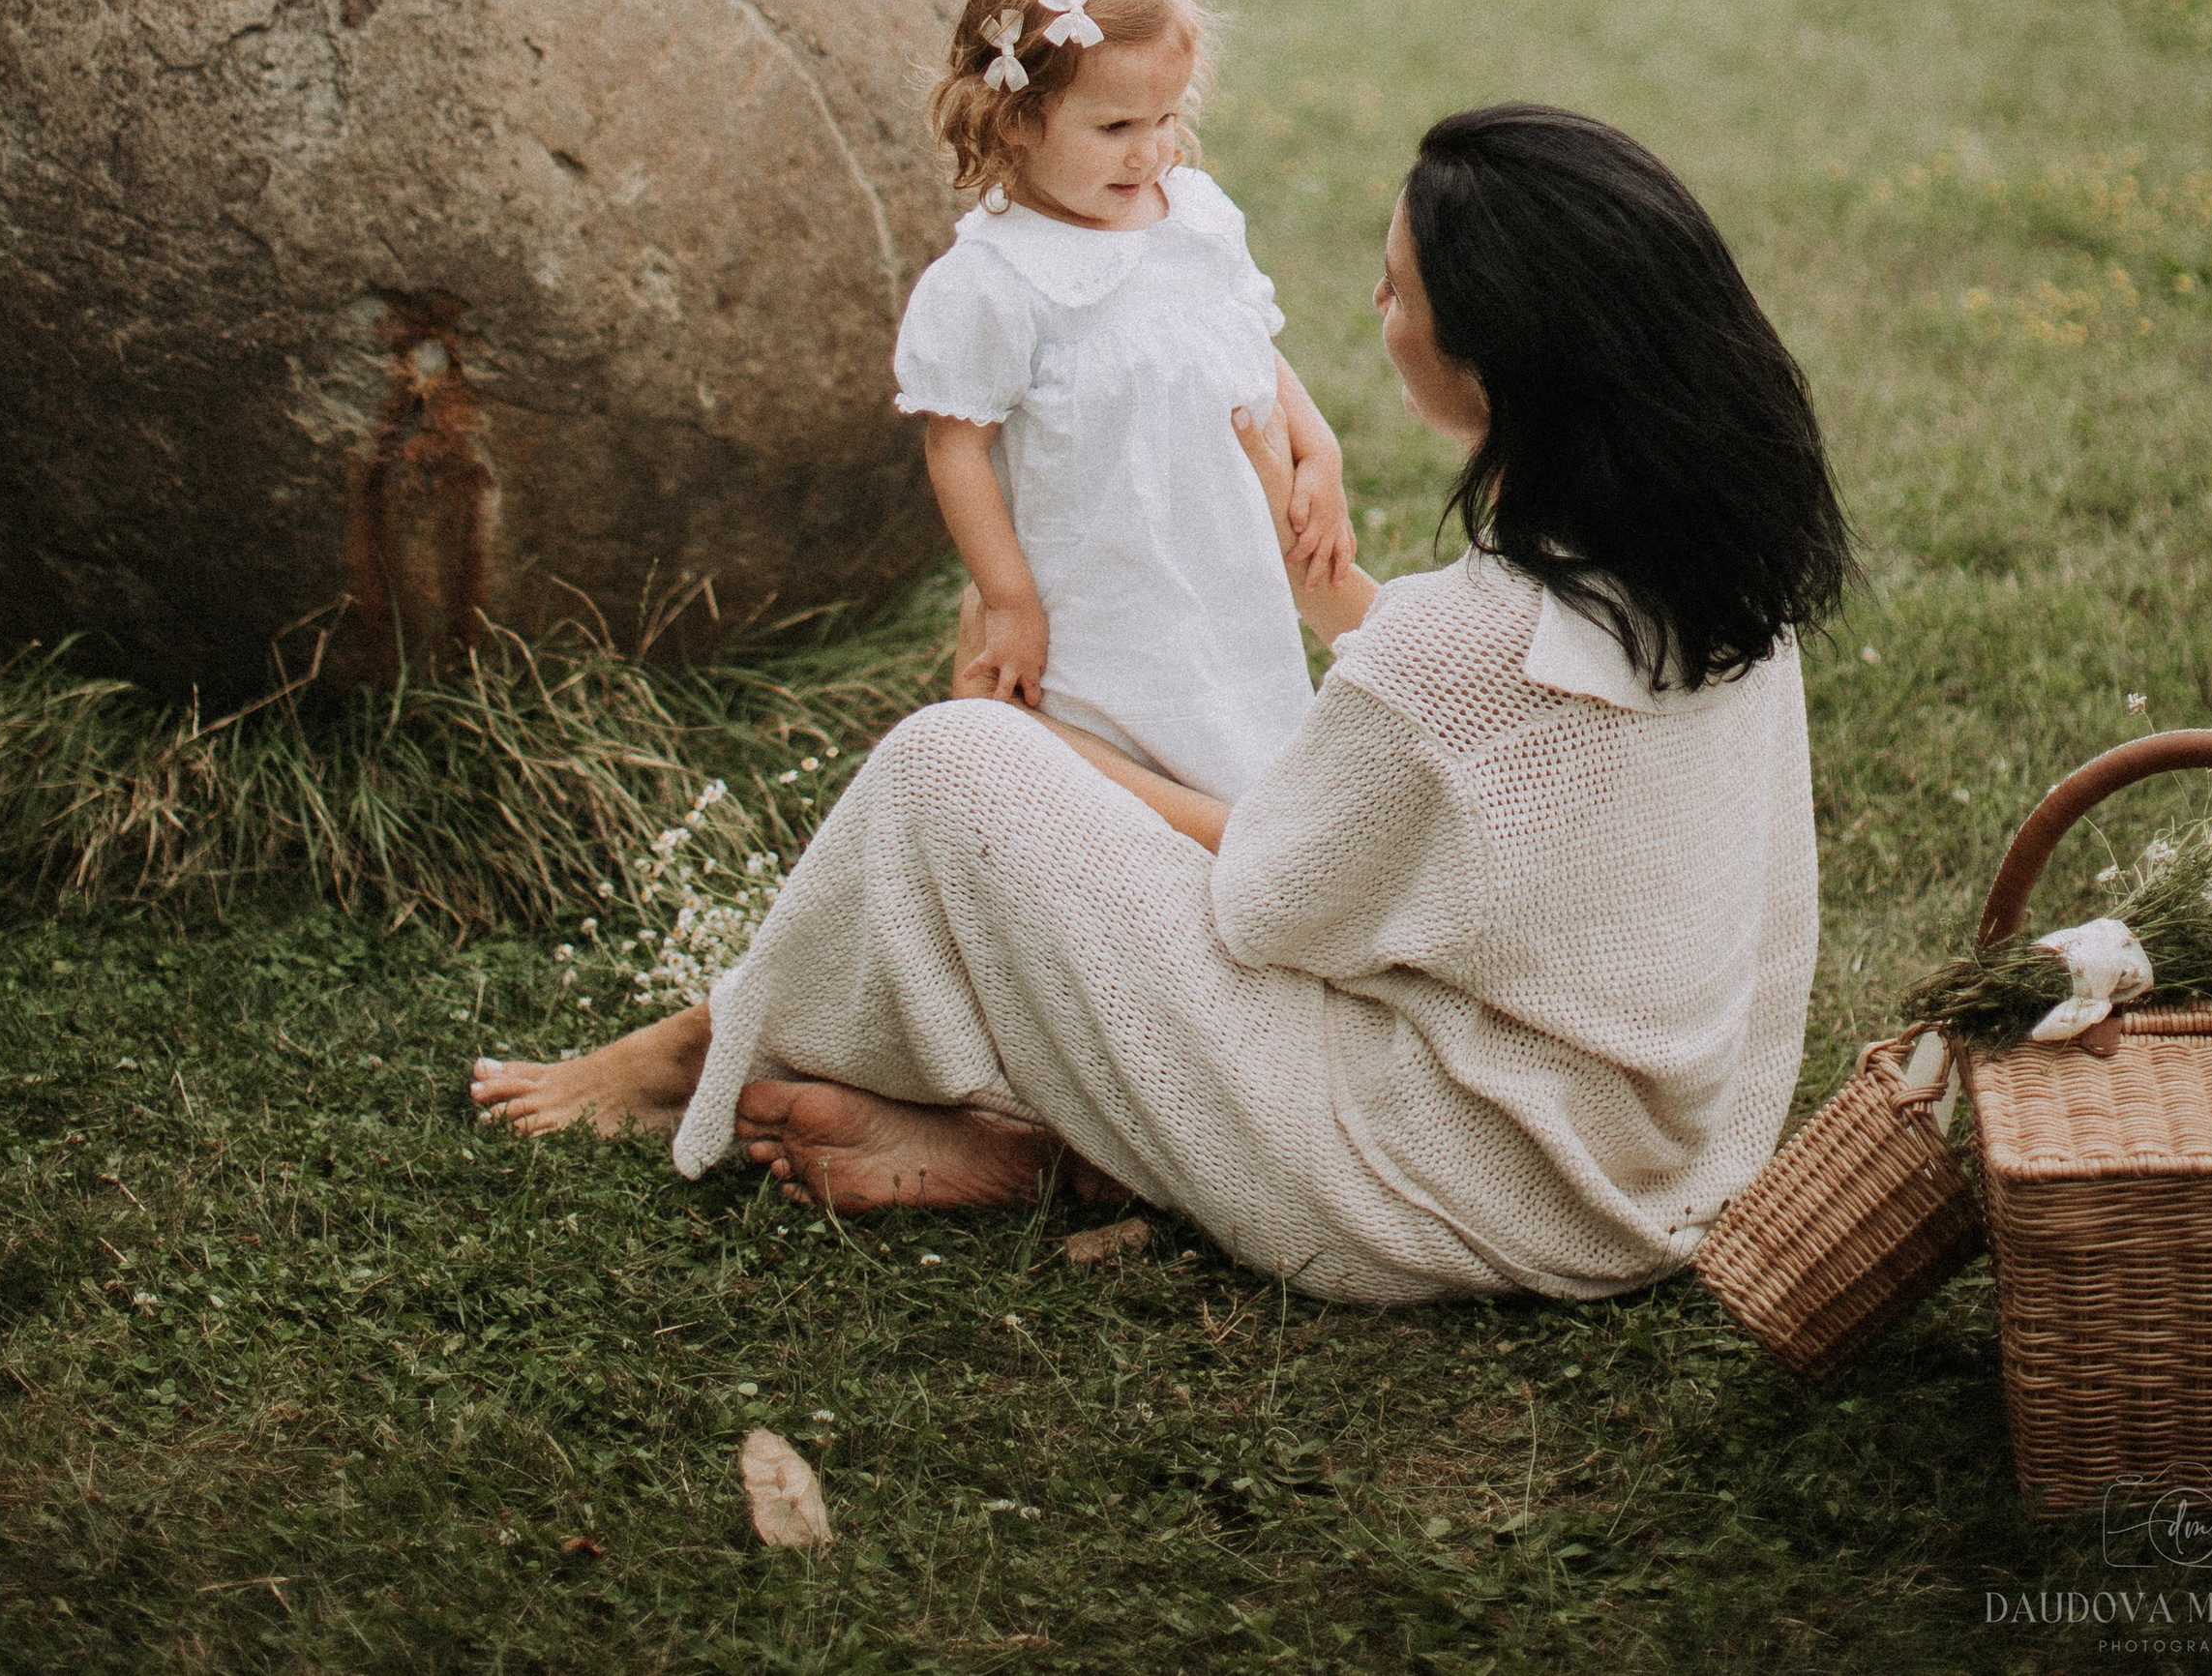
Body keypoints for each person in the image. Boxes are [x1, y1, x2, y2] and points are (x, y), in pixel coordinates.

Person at [473, 105, 1854, 1307]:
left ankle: (707, 1044)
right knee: (1059, 811)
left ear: (1495, 369)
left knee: (950, 765)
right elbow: (1505, 719)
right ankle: (1036, 1139)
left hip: (1446, 1190)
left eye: (1393, 290)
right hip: (1661, 1170)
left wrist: (1041, 747)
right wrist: (1336, 602)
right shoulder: (1718, 566)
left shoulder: (1454, 653)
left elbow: (1266, 899)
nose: (1376, 309)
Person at [905, 0, 1353, 805]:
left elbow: (1245, 338)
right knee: (1112, 777)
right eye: (1114, 126)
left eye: (1167, 119)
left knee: (1244, 739)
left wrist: (1320, 450)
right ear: (1017, 117)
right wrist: (1009, 601)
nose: (1150, 151)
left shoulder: (1192, 217)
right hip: (1100, 582)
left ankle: (1249, 849)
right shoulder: (996, 280)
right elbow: (955, 449)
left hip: (1219, 558)